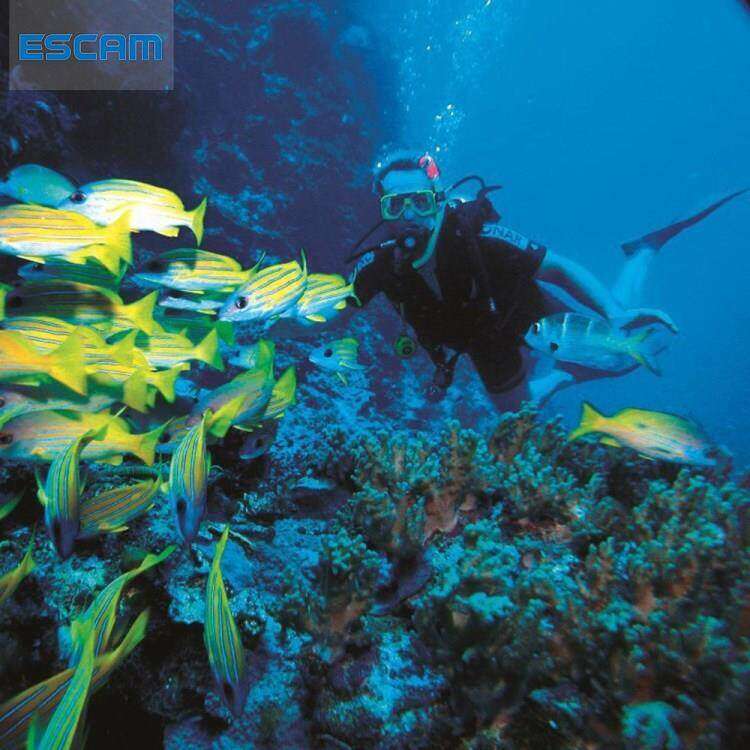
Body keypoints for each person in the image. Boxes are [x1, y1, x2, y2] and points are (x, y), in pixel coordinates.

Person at [346, 150, 682, 408]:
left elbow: (558, 268)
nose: (409, 216)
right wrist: (309, 323)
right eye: (395, 206)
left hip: (530, 313)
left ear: (438, 201)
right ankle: (562, 375)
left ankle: (641, 253)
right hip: (483, 342)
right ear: (381, 210)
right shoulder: (378, 265)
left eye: (420, 202)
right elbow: (335, 308)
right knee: (517, 414)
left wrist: (612, 311)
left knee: (619, 356)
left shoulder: (478, 237)